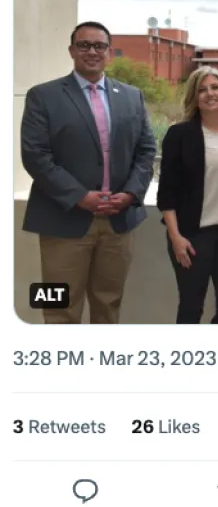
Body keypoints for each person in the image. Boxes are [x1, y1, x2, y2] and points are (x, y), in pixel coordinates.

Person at [20, 22, 156, 324]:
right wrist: (80, 196)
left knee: (109, 305)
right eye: (84, 45)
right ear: (71, 50)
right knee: (59, 307)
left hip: (118, 222)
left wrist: (131, 194)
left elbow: (146, 150)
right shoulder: (43, 96)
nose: (92, 52)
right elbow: (35, 155)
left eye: (99, 46)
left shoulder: (132, 96)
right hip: (63, 220)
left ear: (109, 52)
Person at [157, 66, 218, 324]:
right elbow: (166, 193)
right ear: (194, 96)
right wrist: (176, 237)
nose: (209, 94)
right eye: (202, 89)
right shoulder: (180, 135)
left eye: (215, 87)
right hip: (192, 235)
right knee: (191, 308)